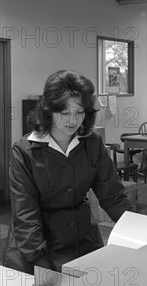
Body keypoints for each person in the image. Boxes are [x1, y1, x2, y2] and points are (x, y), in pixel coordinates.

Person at [3, 70, 133, 274]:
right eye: (64, 113)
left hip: (83, 240)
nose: (72, 120)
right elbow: (25, 215)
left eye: (79, 112)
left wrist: (141, 229)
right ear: (48, 111)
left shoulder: (92, 143)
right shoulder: (24, 150)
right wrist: (43, 266)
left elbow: (113, 197)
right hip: (36, 247)